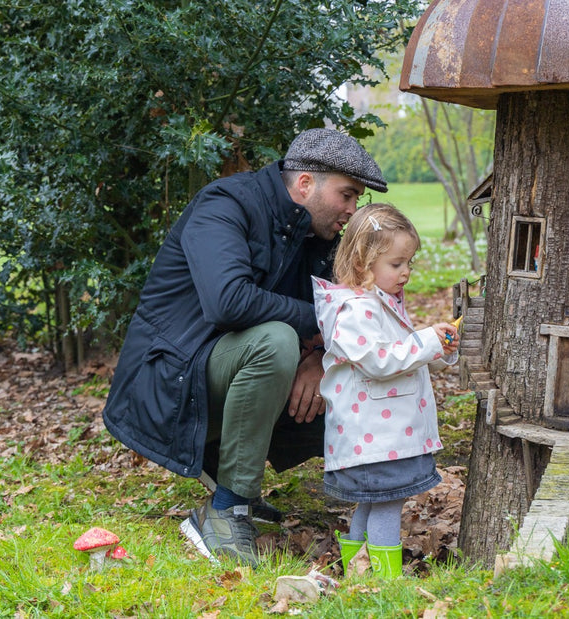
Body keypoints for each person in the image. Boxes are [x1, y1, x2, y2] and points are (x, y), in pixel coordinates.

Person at [102, 128, 388, 567]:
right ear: (305, 183)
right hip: (169, 384)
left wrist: (316, 358)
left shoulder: (320, 236)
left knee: (352, 365)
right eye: (347, 195)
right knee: (275, 343)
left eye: (357, 199)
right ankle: (225, 510)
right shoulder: (226, 206)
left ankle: (225, 470)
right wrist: (315, 328)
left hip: (223, 369)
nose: (352, 210)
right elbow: (228, 302)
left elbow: (353, 310)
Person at [312, 203, 458, 579]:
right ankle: (385, 579)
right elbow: (379, 361)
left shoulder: (380, 302)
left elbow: (402, 357)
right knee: (388, 502)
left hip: (382, 435)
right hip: (375, 437)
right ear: (363, 263)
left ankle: (359, 570)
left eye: (409, 262)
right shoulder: (356, 310)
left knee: (371, 501)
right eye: (397, 264)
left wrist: (436, 349)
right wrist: (425, 341)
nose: (406, 272)